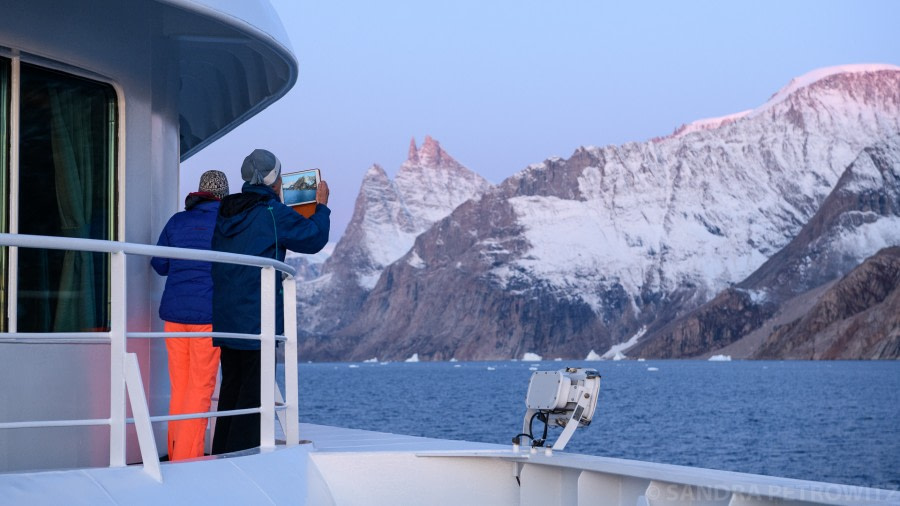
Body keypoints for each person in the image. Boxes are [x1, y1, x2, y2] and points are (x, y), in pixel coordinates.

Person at [211, 148, 330, 454]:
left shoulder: (226, 211)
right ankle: (242, 462)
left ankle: (222, 453)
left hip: (228, 319)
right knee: (253, 396)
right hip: (257, 319)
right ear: (274, 180)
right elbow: (314, 238)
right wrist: (322, 206)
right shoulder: (272, 214)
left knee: (232, 390)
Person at [150, 169, 229, 461]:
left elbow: (159, 264)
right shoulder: (225, 223)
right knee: (200, 389)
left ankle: (175, 452)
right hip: (207, 317)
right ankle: (188, 459)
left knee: (180, 388)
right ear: (224, 194)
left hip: (174, 316)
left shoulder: (177, 221)